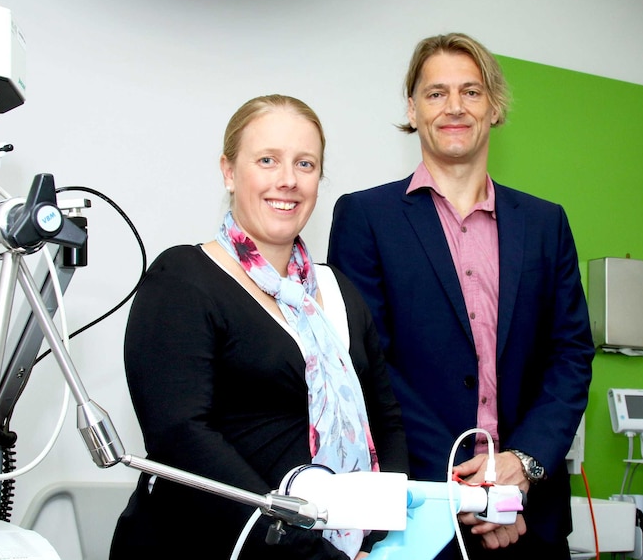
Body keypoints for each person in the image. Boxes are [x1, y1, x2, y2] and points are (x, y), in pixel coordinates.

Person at [327, 33, 594, 559]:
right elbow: (365, 365)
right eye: (436, 93)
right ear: (412, 108)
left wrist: (525, 463)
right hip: (419, 517)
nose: (454, 107)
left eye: (471, 92)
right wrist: (461, 489)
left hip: (531, 520)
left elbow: (571, 354)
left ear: (494, 108)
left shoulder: (546, 223)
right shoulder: (365, 218)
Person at [110, 94, 409, 560]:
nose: (287, 180)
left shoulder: (338, 292)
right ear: (229, 172)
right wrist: (309, 551)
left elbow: (386, 421)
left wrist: (376, 538)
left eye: (305, 164)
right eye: (267, 160)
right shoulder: (183, 279)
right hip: (205, 545)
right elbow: (181, 438)